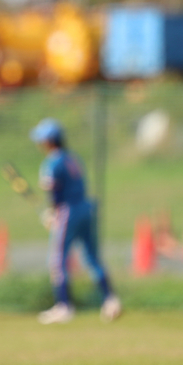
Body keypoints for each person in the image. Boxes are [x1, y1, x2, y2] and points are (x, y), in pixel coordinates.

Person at [30, 118, 122, 325]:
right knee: (92, 257)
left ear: (48, 141)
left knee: (58, 260)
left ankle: (64, 306)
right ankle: (110, 300)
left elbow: (52, 190)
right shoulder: (73, 158)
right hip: (86, 208)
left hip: (68, 212)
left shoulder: (52, 162)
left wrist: (53, 214)